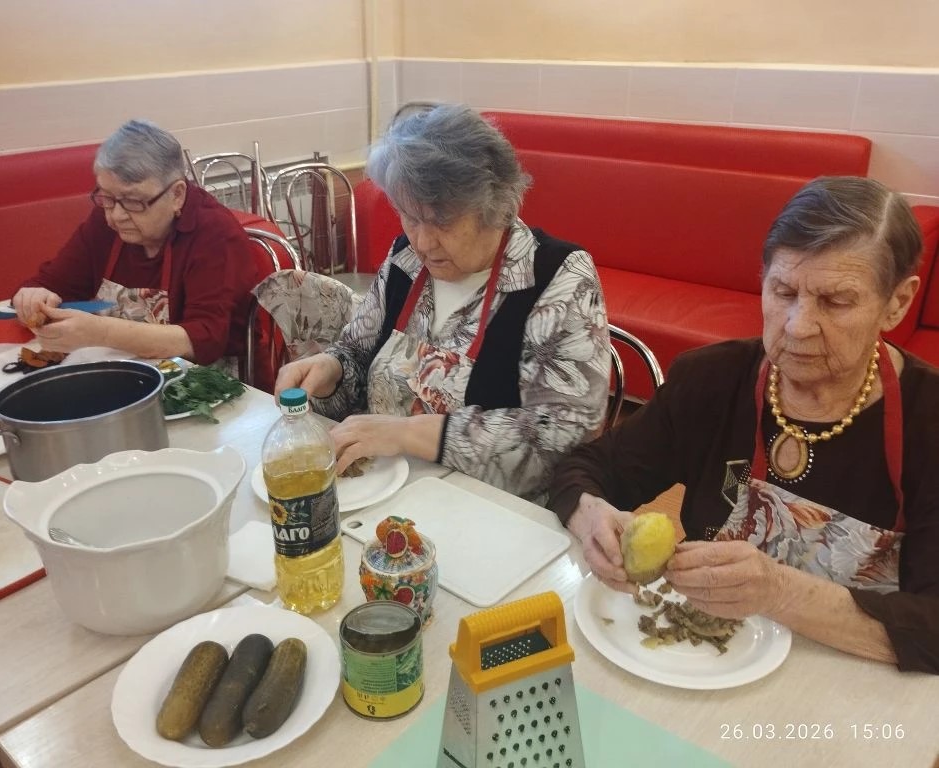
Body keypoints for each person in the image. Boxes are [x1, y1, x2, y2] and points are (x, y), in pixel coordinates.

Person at [550, 176, 939, 673]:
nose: (798, 325)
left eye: (836, 301)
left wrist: (779, 591)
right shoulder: (712, 379)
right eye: (783, 291)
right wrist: (591, 518)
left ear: (897, 303)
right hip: (713, 661)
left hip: (860, 679)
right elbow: (585, 468)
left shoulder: (928, 420)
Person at [276, 104, 611, 501]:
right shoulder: (406, 260)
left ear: (493, 209)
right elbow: (356, 354)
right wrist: (332, 370)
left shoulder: (556, 276)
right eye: (409, 217)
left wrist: (409, 434)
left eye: (442, 222)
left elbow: (565, 437)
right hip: (381, 490)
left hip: (489, 511)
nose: (422, 241)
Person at [12, 119, 259, 368]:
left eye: (133, 202)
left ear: (176, 194)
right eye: (107, 198)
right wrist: (34, 298)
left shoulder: (214, 233)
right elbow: (52, 284)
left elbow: (205, 339)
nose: (117, 215)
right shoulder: (105, 223)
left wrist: (102, 333)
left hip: (208, 378)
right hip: (122, 369)